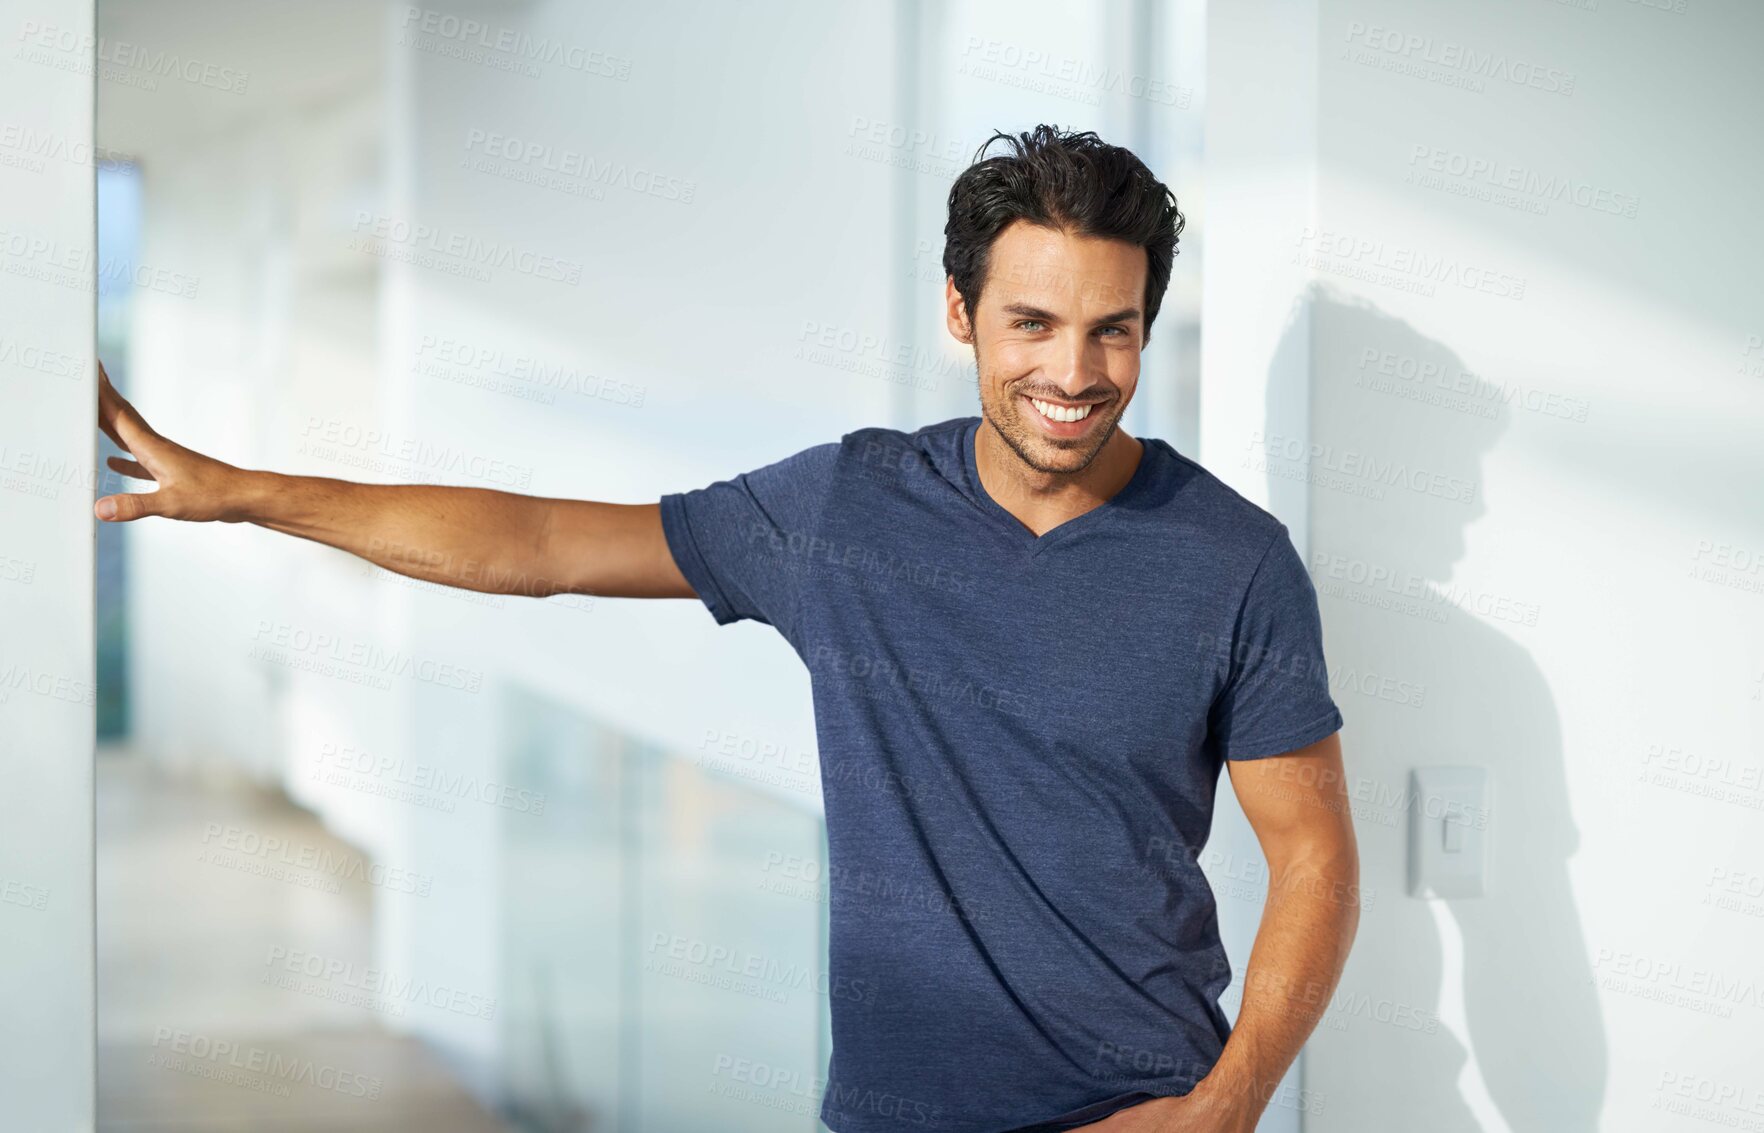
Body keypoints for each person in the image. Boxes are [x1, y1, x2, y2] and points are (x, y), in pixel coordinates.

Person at [95, 124, 1359, 1133]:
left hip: (1149, 1103)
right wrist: (246, 491)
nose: (1074, 372)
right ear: (961, 314)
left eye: (1111, 329)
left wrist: (1225, 1105)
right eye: (1032, 321)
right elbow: (536, 544)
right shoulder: (846, 509)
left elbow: (1312, 855)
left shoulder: (1233, 560)